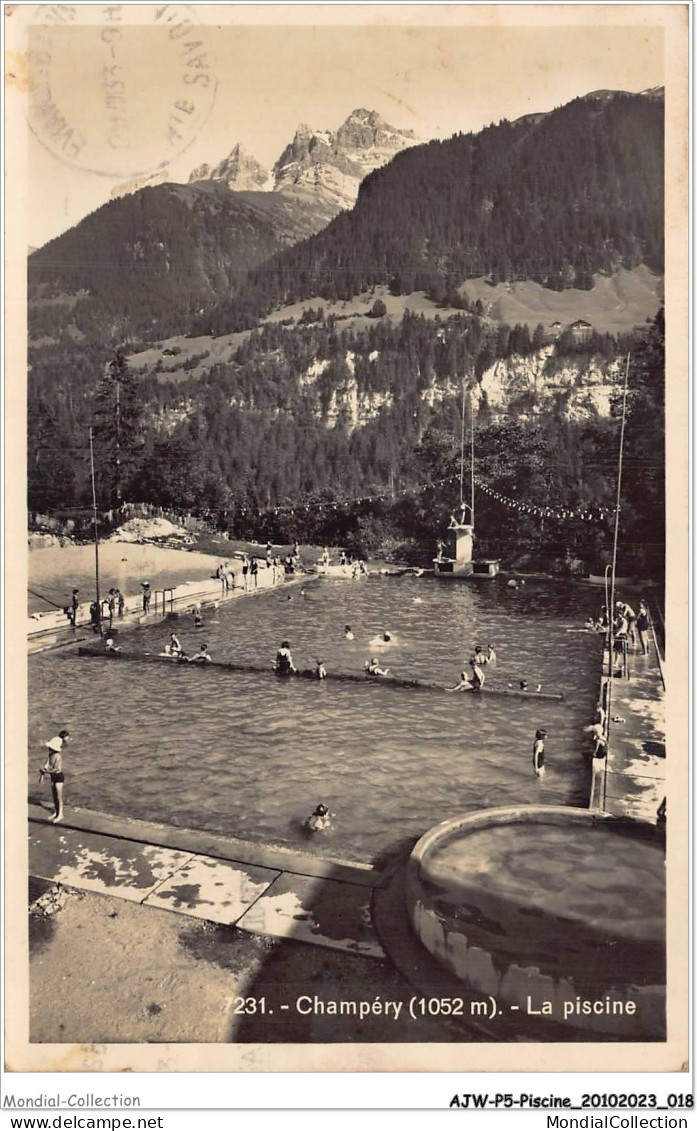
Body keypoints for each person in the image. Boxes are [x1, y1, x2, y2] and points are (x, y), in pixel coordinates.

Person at [40, 730, 70, 823]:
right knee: (54, 795)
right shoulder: (51, 755)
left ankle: (60, 814)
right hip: (53, 776)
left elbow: (56, 770)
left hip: (59, 777)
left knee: (58, 796)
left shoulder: (57, 756)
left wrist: (46, 771)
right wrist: (44, 771)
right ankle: (56, 812)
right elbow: (48, 764)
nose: (49, 749)